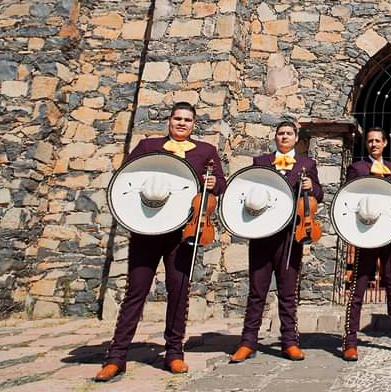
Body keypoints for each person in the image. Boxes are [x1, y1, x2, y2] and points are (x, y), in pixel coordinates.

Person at [95, 101, 226, 382]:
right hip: (146, 229)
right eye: (177, 118)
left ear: (193, 124)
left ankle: (174, 353)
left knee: (179, 291)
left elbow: (222, 185)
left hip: (182, 232)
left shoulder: (206, 152)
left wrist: (214, 183)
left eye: (187, 120)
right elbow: (126, 179)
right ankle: (116, 356)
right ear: (169, 121)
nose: (182, 123)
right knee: (136, 292)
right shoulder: (147, 147)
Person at [230, 118, 323, 363]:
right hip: (262, 234)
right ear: (275, 137)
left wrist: (311, 186)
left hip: (290, 236)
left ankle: (290, 342)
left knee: (288, 292)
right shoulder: (260, 163)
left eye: (289, 133)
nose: (284, 137)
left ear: (296, 138)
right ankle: (248, 342)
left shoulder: (307, 163)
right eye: (281, 133)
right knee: (257, 291)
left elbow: (319, 195)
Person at [340, 128, 391, 360]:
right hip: (366, 234)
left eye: (378, 140)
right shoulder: (357, 168)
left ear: (385, 143)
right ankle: (350, 341)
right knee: (359, 288)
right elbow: (347, 199)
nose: (374, 144)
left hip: (389, 234)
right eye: (370, 141)